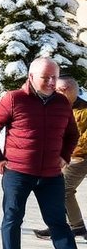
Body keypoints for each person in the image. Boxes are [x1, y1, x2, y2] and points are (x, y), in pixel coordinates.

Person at [0, 57, 87, 249]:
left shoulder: (61, 103)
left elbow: (72, 134)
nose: (51, 82)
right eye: (45, 77)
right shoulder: (14, 99)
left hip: (51, 175)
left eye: (54, 77)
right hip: (18, 173)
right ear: (31, 77)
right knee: (12, 219)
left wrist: (65, 156)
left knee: (59, 223)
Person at [36, 77, 87, 240]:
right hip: (63, 157)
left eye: (58, 90)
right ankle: (62, 225)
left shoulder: (84, 111)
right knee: (56, 189)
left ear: (67, 90)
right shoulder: (57, 107)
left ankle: (73, 226)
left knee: (63, 190)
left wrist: (69, 152)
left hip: (80, 157)